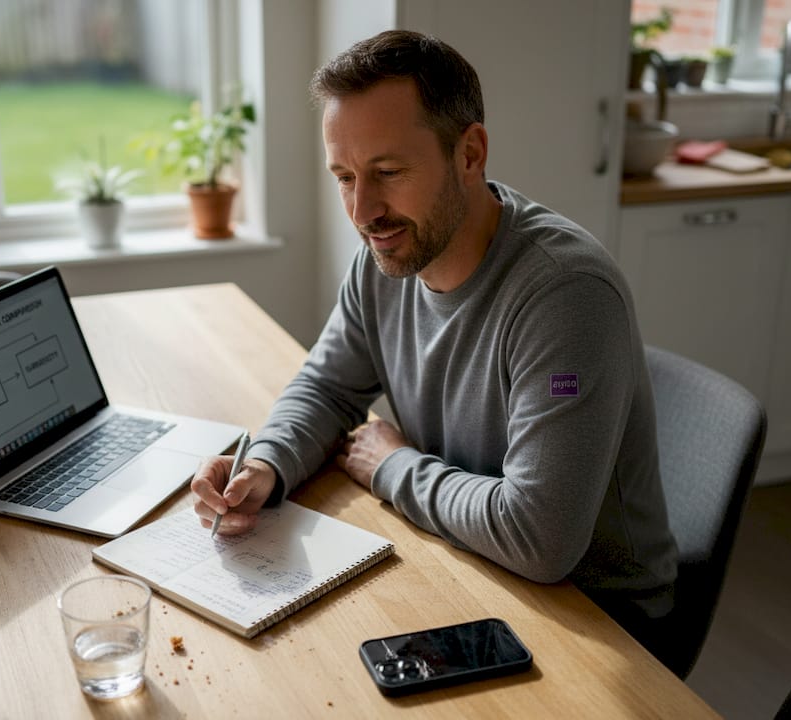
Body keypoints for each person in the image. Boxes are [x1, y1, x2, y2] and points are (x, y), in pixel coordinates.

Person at [191, 30, 678, 624]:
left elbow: (541, 537)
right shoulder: (388, 255)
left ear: (469, 154)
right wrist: (264, 465)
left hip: (597, 615)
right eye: (345, 177)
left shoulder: (566, 295)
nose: (363, 212)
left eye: (388, 171)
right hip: (468, 560)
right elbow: (328, 387)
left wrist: (393, 467)